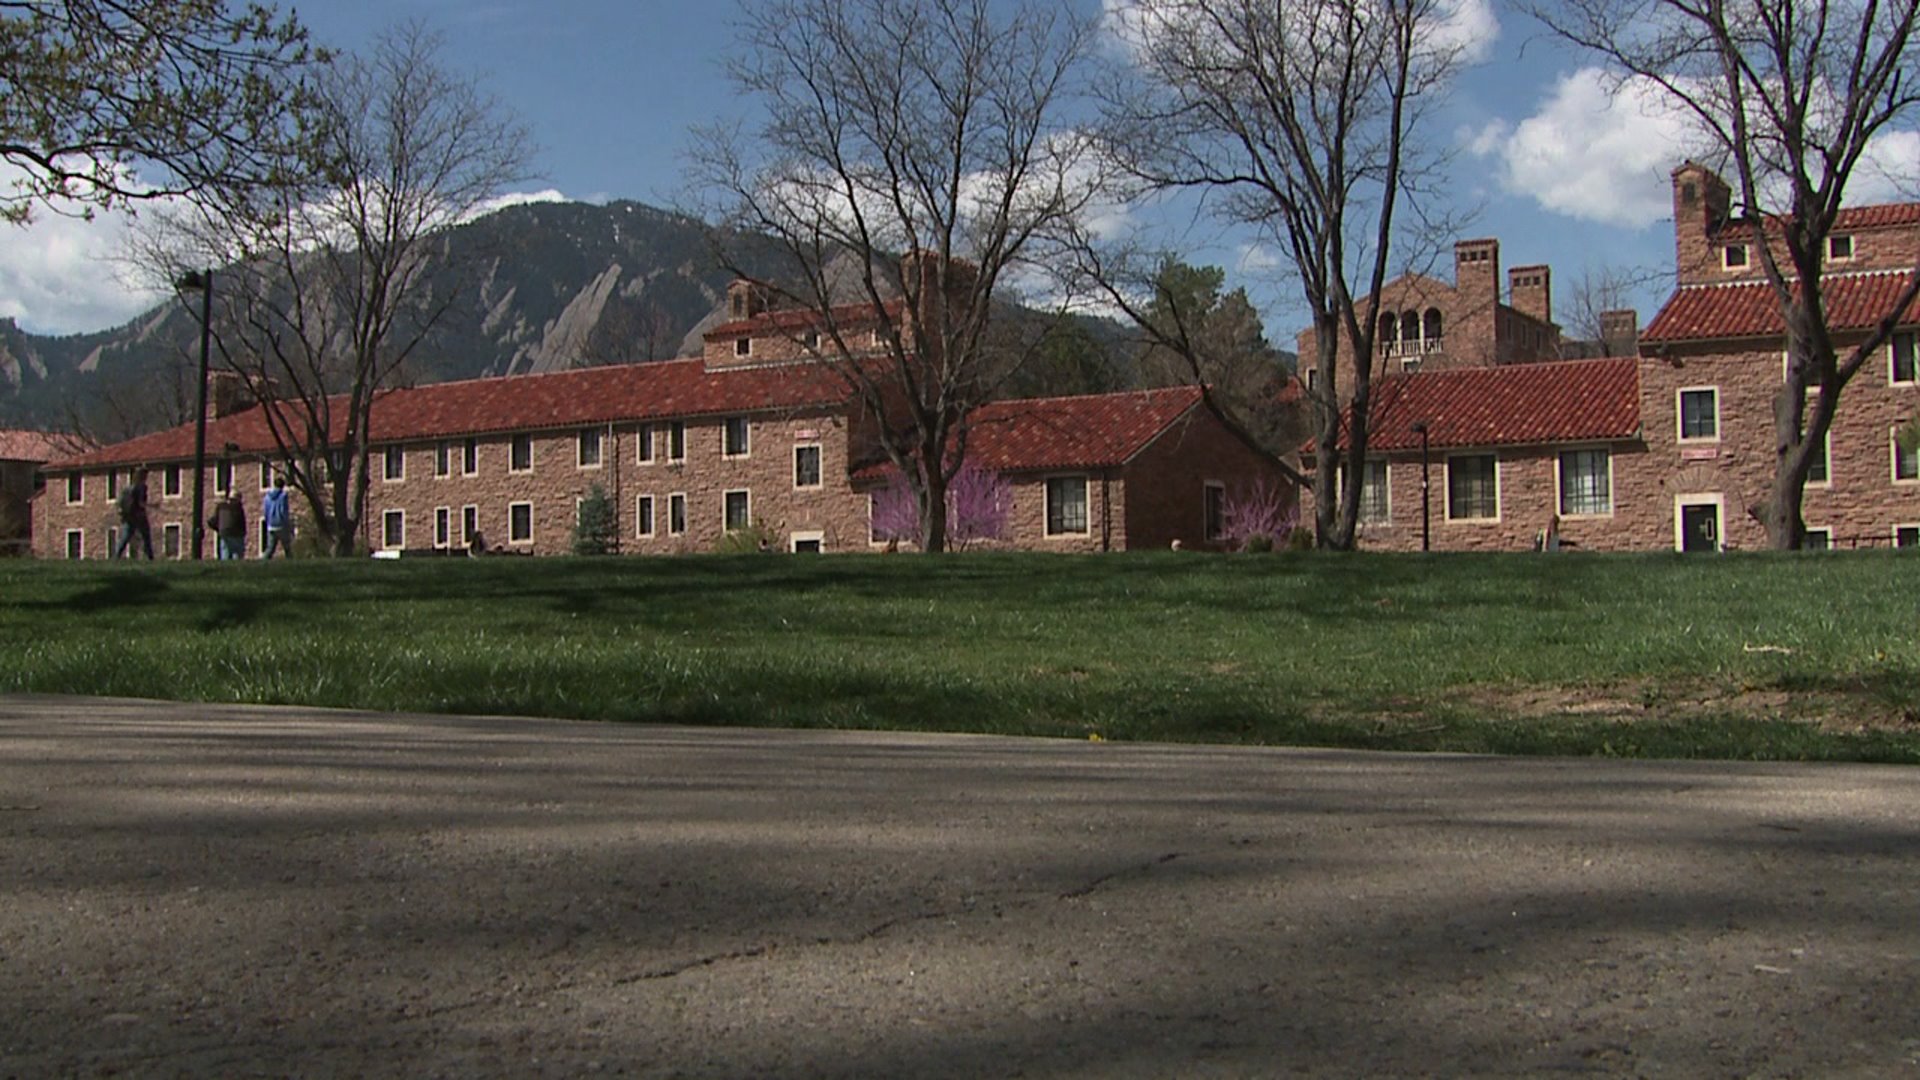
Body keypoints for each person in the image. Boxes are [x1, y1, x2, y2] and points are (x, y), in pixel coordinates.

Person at [112, 467, 154, 560]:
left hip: (129, 516)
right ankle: (150, 557)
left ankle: (117, 556)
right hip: (139, 515)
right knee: (146, 536)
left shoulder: (129, 487)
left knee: (126, 536)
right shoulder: (142, 487)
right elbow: (140, 502)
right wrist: (152, 506)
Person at [261, 476, 293, 558]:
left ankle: (263, 561)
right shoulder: (283, 496)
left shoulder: (267, 497)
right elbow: (283, 511)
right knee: (287, 548)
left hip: (271, 525)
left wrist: (268, 522)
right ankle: (291, 564)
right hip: (281, 524)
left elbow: (265, 511)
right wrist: (287, 522)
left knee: (270, 548)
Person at [210, 492, 248, 560]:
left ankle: (224, 568)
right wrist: (244, 533)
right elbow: (241, 522)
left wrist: (218, 529)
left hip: (224, 533)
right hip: (236, 535)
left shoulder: (221, 506)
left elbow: (212, 521)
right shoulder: (238, 507)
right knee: (237, 554)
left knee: (225, 553)